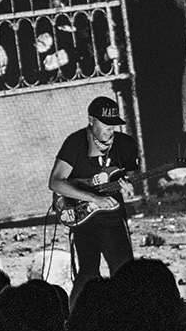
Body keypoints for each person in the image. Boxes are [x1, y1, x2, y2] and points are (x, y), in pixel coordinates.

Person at [47, 96, 138, 311]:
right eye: (105, 124)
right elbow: (55, 182)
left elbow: (130, 180)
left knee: (124, 271)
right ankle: (74, 318)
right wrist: (94, 198)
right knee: (88, 271)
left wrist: (129, 187)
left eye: (114, 124)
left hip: (113, 217)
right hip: (82, 216)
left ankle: (131, 318)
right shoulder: (75, 143)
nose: (111, 129)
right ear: (91, 120)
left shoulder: (125, 145)